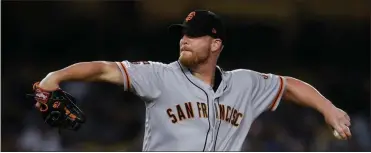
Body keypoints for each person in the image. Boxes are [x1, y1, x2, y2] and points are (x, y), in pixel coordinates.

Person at [34, 10, 351, 151]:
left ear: (216, 44)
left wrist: (329, 109)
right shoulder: (159, 75)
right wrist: (56, 76)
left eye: (195, 35)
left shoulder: (244, 85)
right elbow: (103, 69)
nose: (184, 40)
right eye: (183, 34)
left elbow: (290, 85)